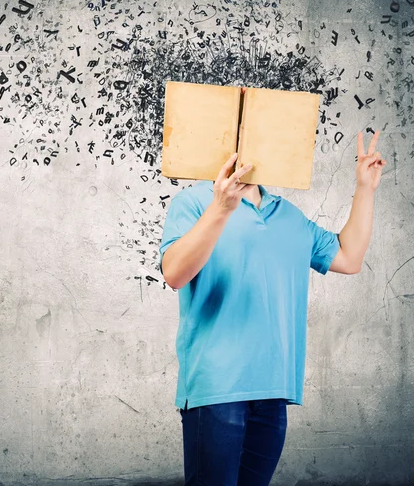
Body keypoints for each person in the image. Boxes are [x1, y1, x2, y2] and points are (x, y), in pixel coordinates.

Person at [159, 130, 386, 486]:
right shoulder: (193, 202)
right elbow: (174, 274)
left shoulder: (290, 217)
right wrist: (220, 208)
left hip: (274, 390)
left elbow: (348, 256)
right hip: (216, 390)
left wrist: (365, 189)